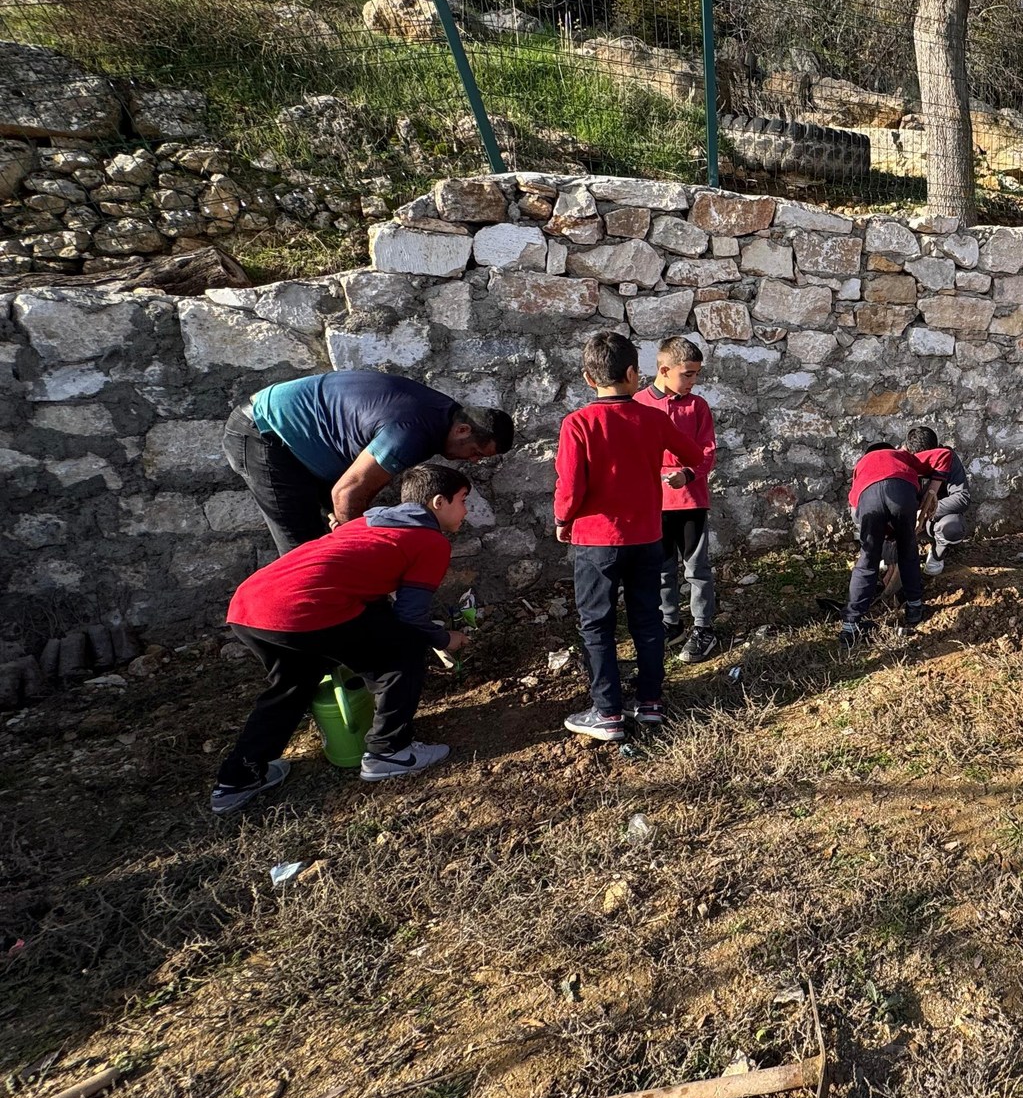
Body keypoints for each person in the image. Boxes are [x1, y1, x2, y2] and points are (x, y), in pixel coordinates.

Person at [209, 462, 472, 812]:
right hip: (305, 609)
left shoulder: (371, 522)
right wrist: (443, 639)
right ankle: (389, 752)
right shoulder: (429, 541)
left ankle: (237, 779)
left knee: (294, 681)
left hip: (251, 605)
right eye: (463, 500)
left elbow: (370, 591)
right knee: (403, 653)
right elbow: (409, 616)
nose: (466, 511)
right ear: (439, 502)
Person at [555, 332, 706, 743]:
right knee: (648, 619)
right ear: (632, 373)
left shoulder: (578, 423)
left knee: (597, 625)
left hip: (595, 540)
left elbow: (569, 487)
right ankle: (651, 701)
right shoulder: (654, 418)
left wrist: (562, 520)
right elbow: (694, 455)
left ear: (589, 379)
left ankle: (607, 711)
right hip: (645, 537)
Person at [223, 370, 512, 555]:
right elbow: (347, 493)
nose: (474, 461)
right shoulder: (413, 432)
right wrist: (364, 556)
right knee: (304, 551)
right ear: (463, 430)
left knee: (338, 539)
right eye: (477, 452)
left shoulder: (441, 414)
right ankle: (310, 641)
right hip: (266, 434)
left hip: (303, 444)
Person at [634, 337, 720, 663]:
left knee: (696, 568)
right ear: (664, 369)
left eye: (697, 374)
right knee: (661, 568)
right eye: (688, 374)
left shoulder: (697, 407)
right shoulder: (639, 404)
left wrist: (687, 473)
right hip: (653, 503)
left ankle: (703, 627)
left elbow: (707, 452)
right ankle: (670, 623)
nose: (693, 381)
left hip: (690, 499)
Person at [841, 441, 930, 643]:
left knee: (867, 560)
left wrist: (876, 536)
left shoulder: (862, 465)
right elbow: (919, 485)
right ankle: (914, 608)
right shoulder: (900, 455)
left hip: (868, 497)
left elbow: (856, 512)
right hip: (902, 492)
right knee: (908, 550)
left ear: (868, 454)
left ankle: (850, 625)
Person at [906, 425, 971, 576]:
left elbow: (962, 497)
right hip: (908, 519)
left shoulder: (949, 459)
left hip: (935, 520)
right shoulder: (903, 459)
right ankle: (892, 557)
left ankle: (936, 555)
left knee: (952, 526)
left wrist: (927, 512)